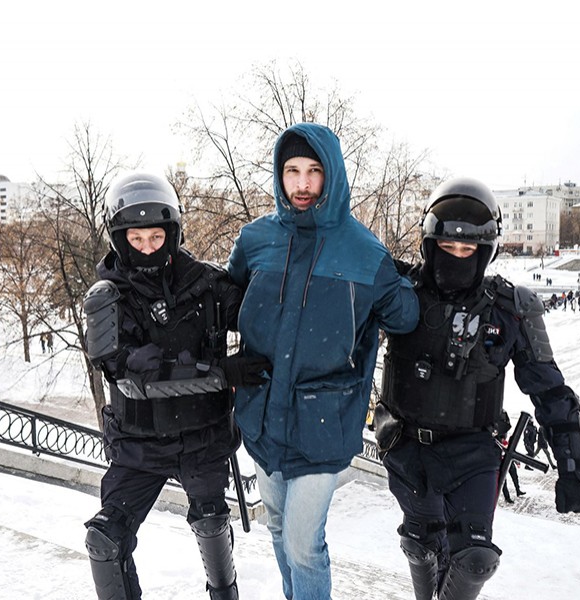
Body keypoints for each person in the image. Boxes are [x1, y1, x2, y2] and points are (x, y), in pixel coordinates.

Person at [226, 123, 420, 600]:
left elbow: (405, 317)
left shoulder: (363, 250)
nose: (302, 183)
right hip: (263, 416)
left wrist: (405, 278)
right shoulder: (256, 241)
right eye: (292, 171)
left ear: (331, 175)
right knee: (276, 528)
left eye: (314, 171)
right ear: (279, 175)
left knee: (302, 543)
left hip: (324, 420)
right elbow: (225, 304)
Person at [375, 177, 580, 600]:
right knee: (421, 546)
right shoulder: (399, 293)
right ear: (429, 245)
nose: (456, 257)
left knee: (475, 559)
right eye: (447, 248)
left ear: (485, 251)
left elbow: (549, 390)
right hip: (407, 447)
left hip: (473, 453)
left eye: (467, 249)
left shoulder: (510, 309)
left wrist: (571, 467)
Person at [82, 172, 270, 600]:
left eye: (155, 236)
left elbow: (262, 315)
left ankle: (225, 594)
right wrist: (220, 372)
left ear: (172, 232)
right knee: (105, 540)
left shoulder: (207, 284)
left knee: (210, 520)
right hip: (138, 442)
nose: (148, 248)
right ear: (119, 238)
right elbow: (126, 374)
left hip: (202, 437)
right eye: (136, 239)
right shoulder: (107, 297)